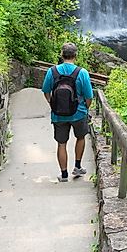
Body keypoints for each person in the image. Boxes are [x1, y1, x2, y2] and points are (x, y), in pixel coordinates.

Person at [42, 42, 94, 182]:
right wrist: (85, 108)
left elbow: (46, 91)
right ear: (75, 55)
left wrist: (52, 103)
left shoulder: (52, 71)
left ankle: (64, 174)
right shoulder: (81, 72)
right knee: (81, 137)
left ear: (61, 55)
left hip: (58, 114)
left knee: (61, 144)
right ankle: (77, 166)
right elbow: (89, 97)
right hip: (79, 113)